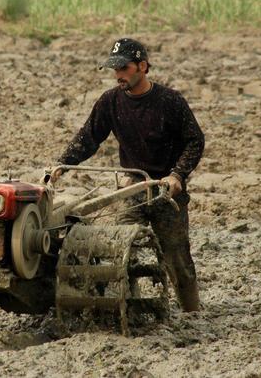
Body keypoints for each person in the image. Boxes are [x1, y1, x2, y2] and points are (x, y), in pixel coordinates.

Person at [52, 38, 205, 312]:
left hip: (165, 188)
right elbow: (89, 137)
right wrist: (63, 163)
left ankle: (191, 311)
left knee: (177, 257)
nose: (118, 75)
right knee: (120, 247)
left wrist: (177, 176)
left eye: (123, 68)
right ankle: (126, 304)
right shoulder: (110, 102)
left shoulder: (170, 102)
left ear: (142, 67)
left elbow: (195, 141)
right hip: (132, 187)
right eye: (114, 69)